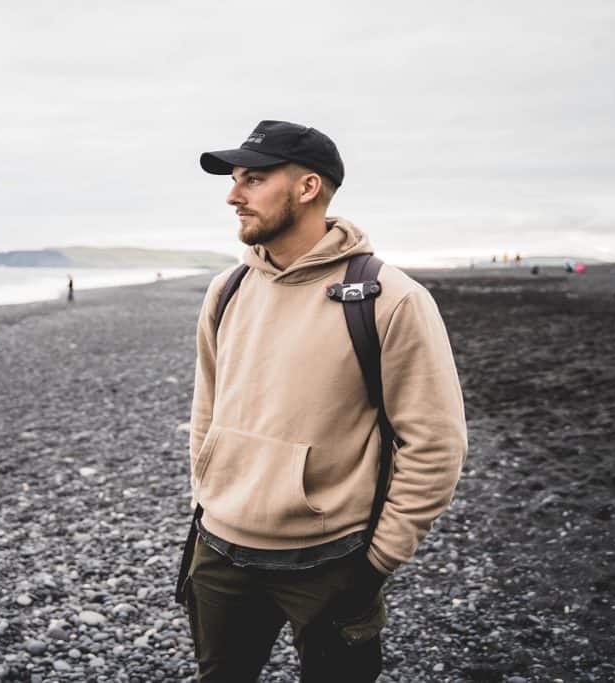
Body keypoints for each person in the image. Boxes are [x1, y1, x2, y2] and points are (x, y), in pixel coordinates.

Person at [185, 120, 467, 682]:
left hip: (330, 561)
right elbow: (206, 411)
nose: (233, 196)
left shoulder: (391, 298)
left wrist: (379, 559)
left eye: (253, 179)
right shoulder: (228, 290)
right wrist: (208, 494)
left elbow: (435, 444)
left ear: (308, 187)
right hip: (219, 549)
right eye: (236, 179)